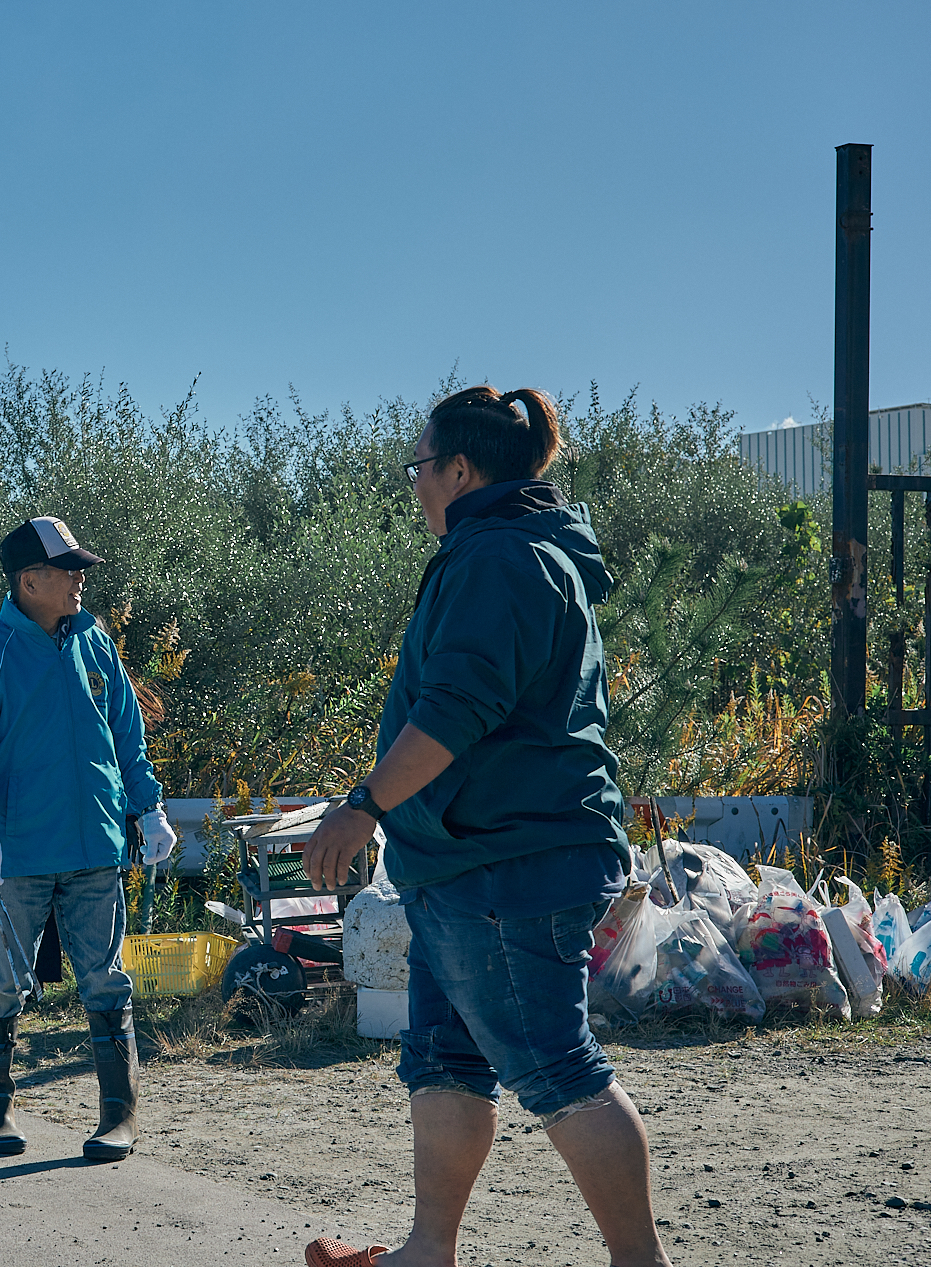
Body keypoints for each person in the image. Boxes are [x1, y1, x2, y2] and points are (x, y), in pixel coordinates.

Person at [295, 387, 669, 1267]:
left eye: (419, 467)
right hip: (462, 863)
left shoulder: (497, 558)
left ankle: (640, 1261)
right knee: (442, 1058)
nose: (415, 484)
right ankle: (427, 1251)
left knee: (556, 1068)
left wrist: (365, 806)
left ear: (462, 470)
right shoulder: (518, 550)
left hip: (507, 863)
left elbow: (455, 710)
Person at [0, 517, 174, 1161]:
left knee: (106, 979)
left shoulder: (95, 642)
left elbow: (127, 732)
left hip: (97, 844)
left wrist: (148, 807)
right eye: (68, 570)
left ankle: (119, 1117)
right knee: (3, 985)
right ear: (28, 581)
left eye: (78, 568)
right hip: (16, 852)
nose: (79, 579)